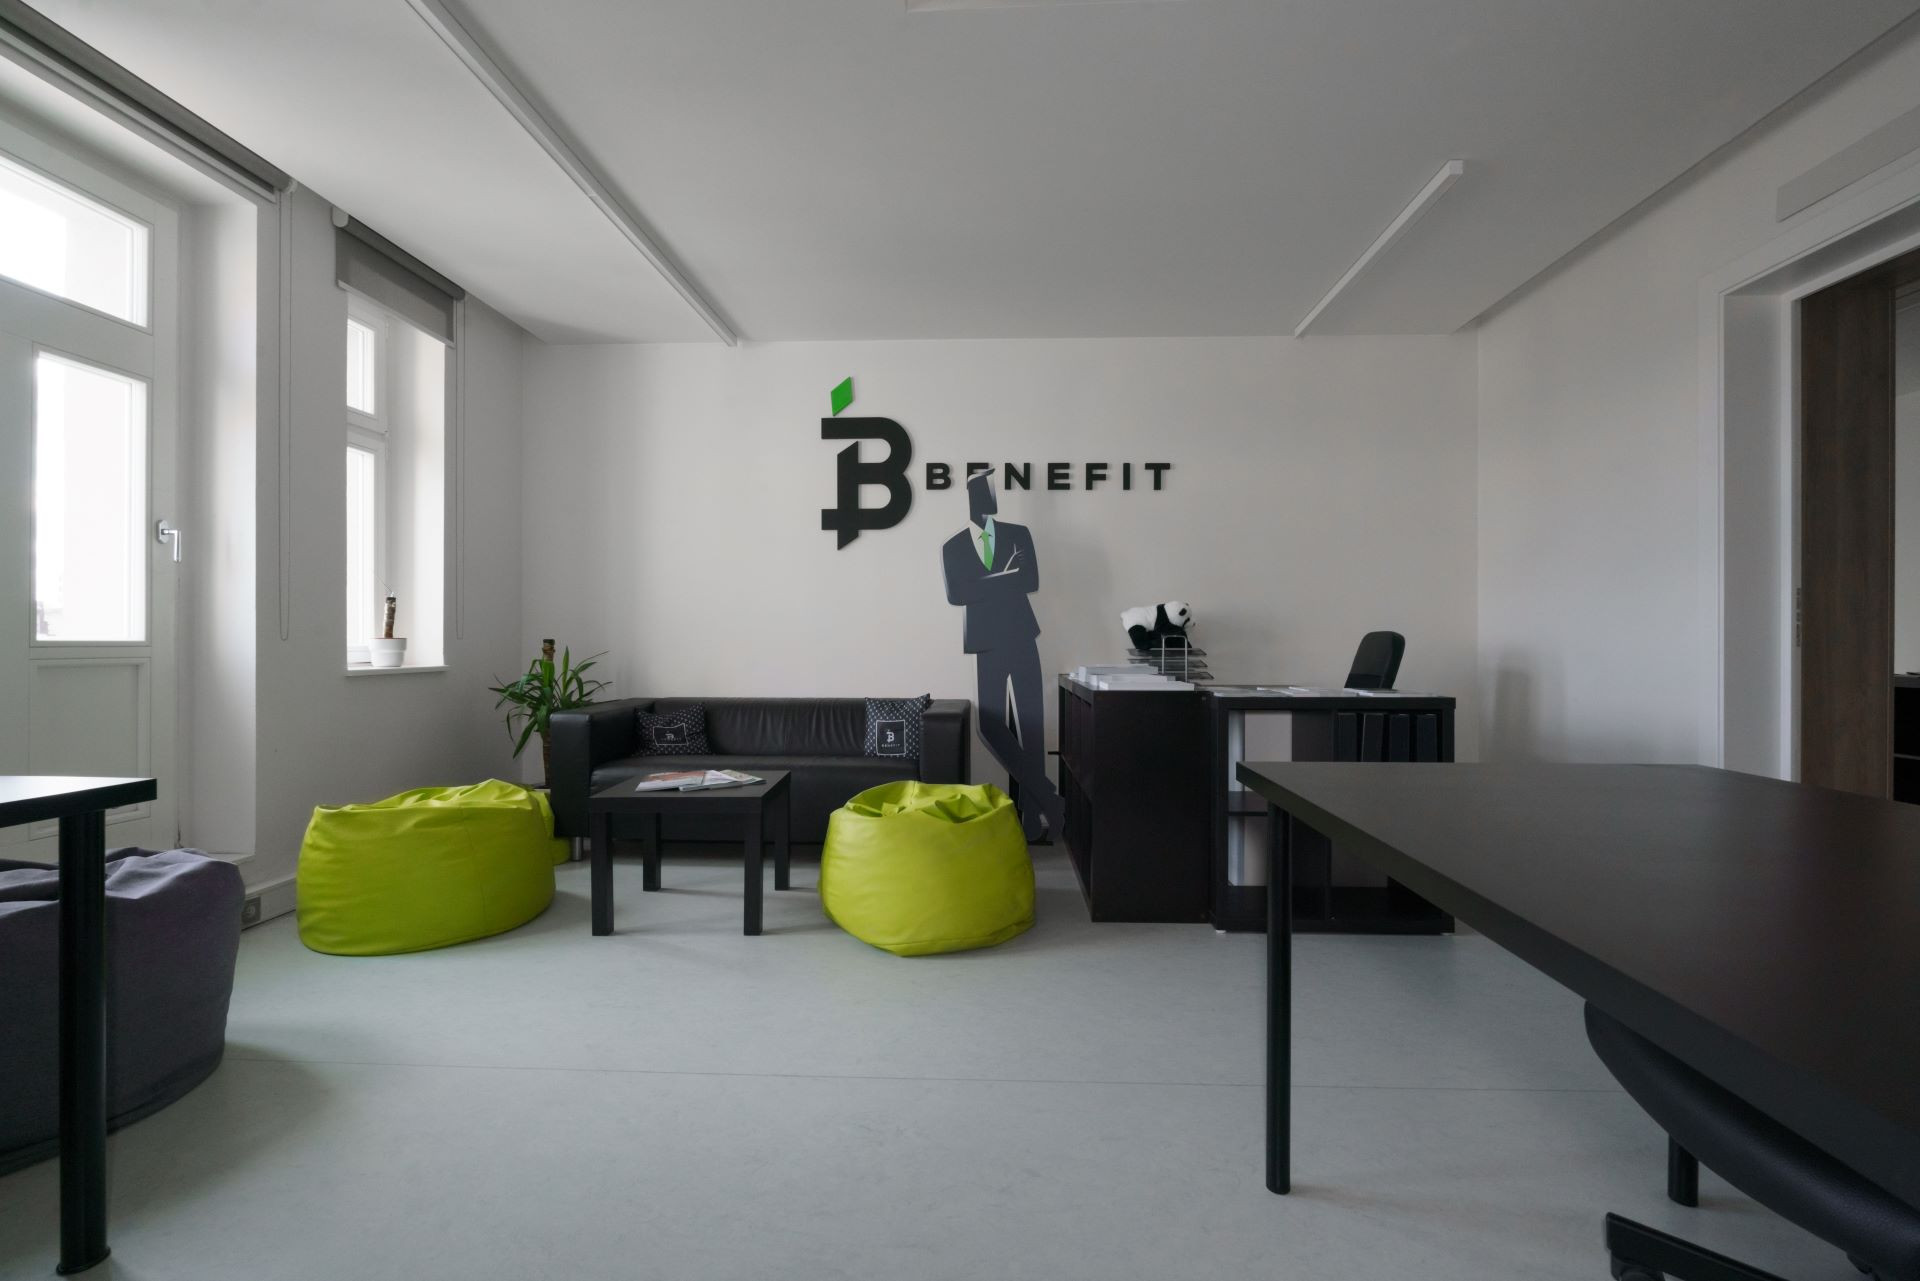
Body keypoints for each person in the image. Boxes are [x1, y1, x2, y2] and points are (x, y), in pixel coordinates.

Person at [940, 468, 1068, 842]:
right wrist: (1004, 577)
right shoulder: (953, 546)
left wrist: (983, 584)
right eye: (984, 490)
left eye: (993, 490)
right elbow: (956, 594)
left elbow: (1030, 581)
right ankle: (1049, 797)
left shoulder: (1018, 534)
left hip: (1023, 637)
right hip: (985, 644)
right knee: (991, 725)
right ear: (971, 496)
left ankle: (1032, 817)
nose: (991, 497)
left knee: (1030, 727)